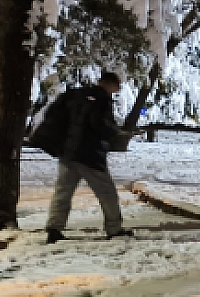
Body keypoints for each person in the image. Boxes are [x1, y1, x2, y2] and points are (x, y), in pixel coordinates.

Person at [31, 71, 133, 243]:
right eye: (116, 87)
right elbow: (98, 124)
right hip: (89, 154)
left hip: (68, 152)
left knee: (63, 191)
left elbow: (54, 116)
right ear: (109, 84)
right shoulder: (101, 99)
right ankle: (114, 229)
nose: (116, 90)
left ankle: (54, 228)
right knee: (107, 193)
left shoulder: (74, 95)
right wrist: (116, 133)